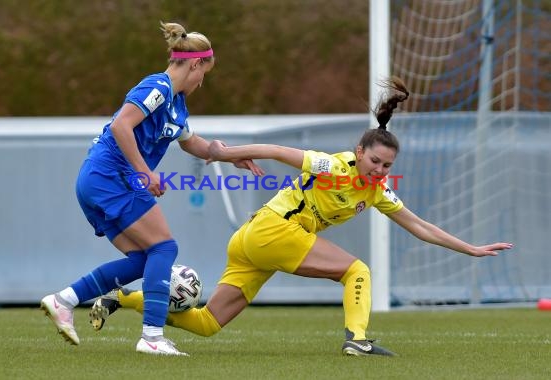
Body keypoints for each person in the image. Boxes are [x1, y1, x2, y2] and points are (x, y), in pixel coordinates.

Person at [88, 77, 513, 356]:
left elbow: (419, 225)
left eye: (387, 165)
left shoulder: (377, 190)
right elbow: (275, 151)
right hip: (274, 231)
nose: (380, 170)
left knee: (207, 322)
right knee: (357, 271)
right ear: (360, 152)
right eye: (376, 162)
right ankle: (358, 341)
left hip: (254, 240)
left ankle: (121, 299)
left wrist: (469, 248)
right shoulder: (335, 166)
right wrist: (223, 154)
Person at [40, 21, 263, 356]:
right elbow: (121, 126)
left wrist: (232, 156)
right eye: (204, 73)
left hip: (101, 181)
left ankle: (64, 300)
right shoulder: (157, 87)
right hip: (110, 177)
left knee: (144, 259)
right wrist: (144, 173)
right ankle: (152, 337)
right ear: (195, 64)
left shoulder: (177, 104)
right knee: (164, 249)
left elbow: (194, 144)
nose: (203, 82)